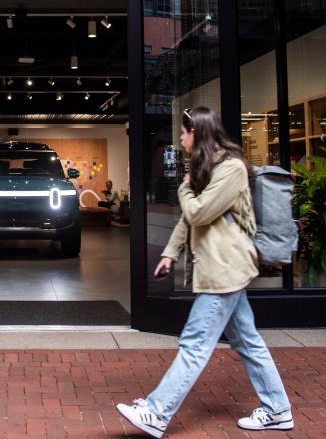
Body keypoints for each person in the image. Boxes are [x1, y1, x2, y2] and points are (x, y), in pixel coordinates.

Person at [116, 107, 293, 437]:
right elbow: (189, 220)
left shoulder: (232, 169)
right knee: (248, 342)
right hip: (221, 267)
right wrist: (170, 253)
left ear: (197, 132)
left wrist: (184, 188)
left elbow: (196, 213)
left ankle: (156, 411)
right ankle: (278, 409)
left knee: (195, 344)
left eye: (183, 133)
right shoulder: (210, 168)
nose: (180, 139)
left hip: (225, 269)